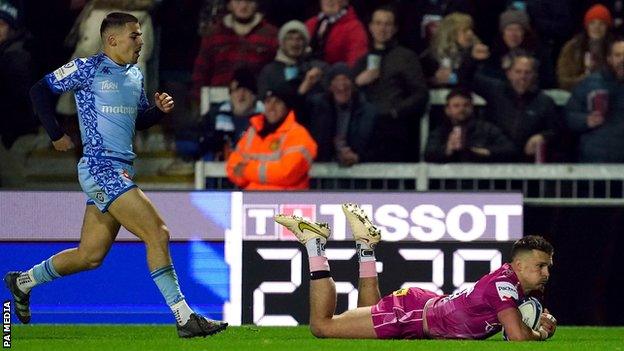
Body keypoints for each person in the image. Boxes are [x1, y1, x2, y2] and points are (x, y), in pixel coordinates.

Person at [4, 12, 227, 338]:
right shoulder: (86, 67)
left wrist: (158, 112)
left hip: (121, 168)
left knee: (90, 256)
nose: (141, 41)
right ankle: (184, 317)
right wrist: (55, 134)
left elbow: (137, 121)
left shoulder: (135, 75)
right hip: (100, 167)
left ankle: (23, 281)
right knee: (158, 233)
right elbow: (40, 91)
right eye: (135, 35)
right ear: (112, 40)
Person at [274, 203, 557, 341]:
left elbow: (517, 326)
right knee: (322, 327)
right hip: (411, 315)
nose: (545, 273)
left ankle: (365, 247)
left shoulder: (512, 284)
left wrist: (538, 321)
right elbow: (517, 337)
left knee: (366, 323)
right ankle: (315, 244)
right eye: (540, 266)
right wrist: (540, 333)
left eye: (547, 267)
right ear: (519, 265)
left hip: (423, 305)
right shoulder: (505, 286)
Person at [352, 5, 428, 162]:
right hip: (365, 129)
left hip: (394, 128)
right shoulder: (361, 60)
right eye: (378, 23)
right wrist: (358, 82)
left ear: (394, 29)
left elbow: (420, 94)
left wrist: (396, 111)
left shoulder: (406, 57)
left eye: (387, 24)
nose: (382, 28)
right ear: (371, 27)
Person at [226, 81, 317, 190]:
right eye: (268, 102)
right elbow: (232, 167)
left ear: (287, 107)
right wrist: (268, 173)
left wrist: (246, 170)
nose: (271, 107)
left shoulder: (299, 135)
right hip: (251, 202)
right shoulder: (253, 132)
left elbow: (286, 174)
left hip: (287, 203)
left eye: (277, 102)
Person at [565, 38, 624, 162]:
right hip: (595, 159)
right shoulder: (590, 83)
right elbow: (569, 116)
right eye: (618, 55)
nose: (622, 60)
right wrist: (586, 120)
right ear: (609, 59)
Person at [0, 0, 39, 188]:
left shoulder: (18, 57)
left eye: (1, 24)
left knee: (13, 189)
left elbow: (19, 101)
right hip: (9, 135)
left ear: (12, 27)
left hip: (13, 137)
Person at [306, 62, 376, 165]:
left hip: (358, 173)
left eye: (345, 80)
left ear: (352, 85)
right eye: (337, 80)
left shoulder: (368, 112)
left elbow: (378, 147)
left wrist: (358, 157)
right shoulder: (318, 107)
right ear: (330, 87)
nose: (342, 86)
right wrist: (305, 86)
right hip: (324, 170)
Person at [425, 88, 517, 162]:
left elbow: (510, 149)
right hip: (450, 183)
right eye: (456, 106)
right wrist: (447, 149)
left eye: (466, 105)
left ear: (472, 107)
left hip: (480, 181)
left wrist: (484, 151)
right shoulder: (440, 131)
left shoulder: (486, 129)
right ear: (447, 110)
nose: (462, 109)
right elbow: (428, 154)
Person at [557, 4, 614, 91]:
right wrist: (585, 78)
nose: (596, 27)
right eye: (592, 23)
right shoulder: (572, 47)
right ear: (586, 26)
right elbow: (563, 81)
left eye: (601, 23)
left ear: (607, 27)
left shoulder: (614, 48)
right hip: (578, 93)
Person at [305, 0, 368, 67]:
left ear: (345, 1)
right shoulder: (311, 23)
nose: (329, 1)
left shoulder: (355, 28)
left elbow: (356, 63)